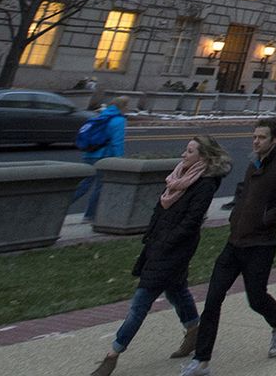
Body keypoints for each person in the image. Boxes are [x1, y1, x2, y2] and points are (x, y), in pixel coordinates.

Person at [90, 135, 232, 376]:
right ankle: (193, 330)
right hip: (158, 245)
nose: (183, 155)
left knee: (140, 304)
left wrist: (166, 242)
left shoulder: (205, 184)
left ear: (203, 157)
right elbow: (161, 208)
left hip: (174, 249)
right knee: (176, 290)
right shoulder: (178, 177)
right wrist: (153, 235)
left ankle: (113, 354)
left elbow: (191, 221)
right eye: (185, 150)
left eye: (189, 151)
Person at [180, 116, 276, 376]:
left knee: (256, 298)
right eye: (254, 136)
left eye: (261, 137)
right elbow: (246, 190)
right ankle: (202, 361)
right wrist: (236, 212)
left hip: (261, 244)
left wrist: (267, 218)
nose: (256, 141)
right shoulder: (254, 161)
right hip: (235, 242)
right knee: (213, 299)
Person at [75, 95, 129, 221]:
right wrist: (119, 159)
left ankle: (61, 205)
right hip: (104, 156)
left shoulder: (101, 116)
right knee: (100, 186)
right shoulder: (119, 120)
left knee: (84, 184)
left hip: (90, 154)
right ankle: (90, 215)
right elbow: (117, 142)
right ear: (123, 106)